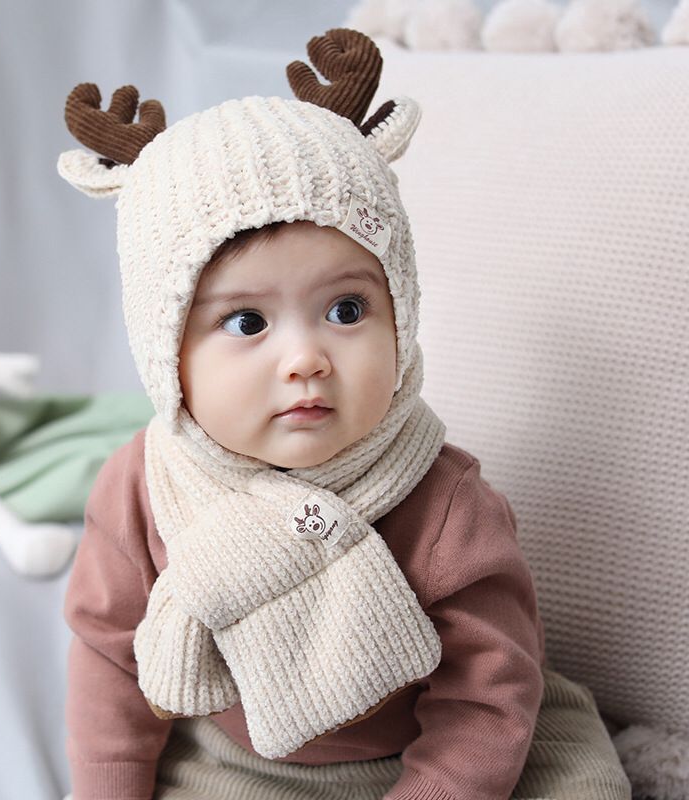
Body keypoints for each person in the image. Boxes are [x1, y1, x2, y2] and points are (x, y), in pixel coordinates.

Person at [58, 28, 631, 800]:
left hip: (439, 746)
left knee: (582, 782)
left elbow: (486, 697)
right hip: (238, 753)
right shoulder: (145, 485)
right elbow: (109, 654)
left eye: (347, 308)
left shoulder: (443, 501)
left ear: (401, 311)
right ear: (166, 353)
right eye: (248, 323)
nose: (305, 359)